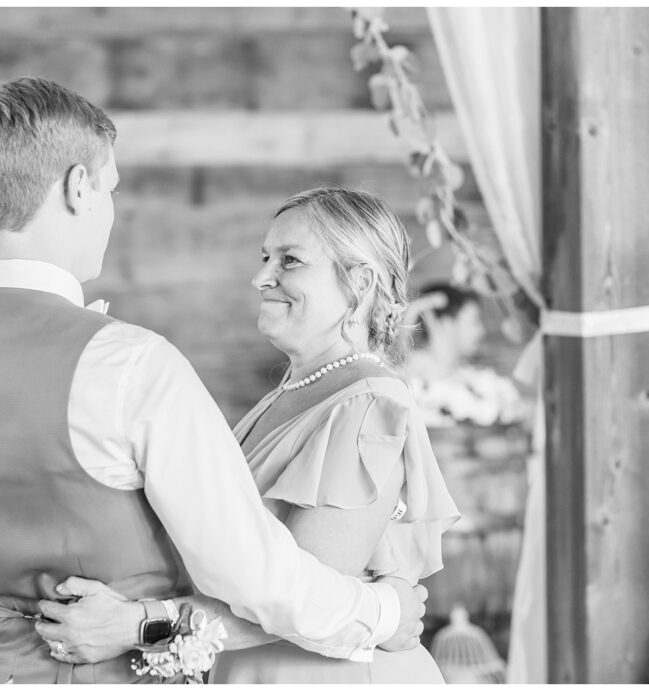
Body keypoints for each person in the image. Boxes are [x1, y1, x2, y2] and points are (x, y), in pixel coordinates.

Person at [0, 78, 427, 683]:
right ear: (78, 187)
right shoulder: (131, 365)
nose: (110, 211)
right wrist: (382, 610)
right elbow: (254, 576)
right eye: (110, 189)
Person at [39, 187, 460, 683]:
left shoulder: (368, 408)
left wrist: (139, 624)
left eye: (291, 260)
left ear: (360, 282)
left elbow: (306, 603)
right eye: (266, 257)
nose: (262, 277)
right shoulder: (290, 392)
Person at [403, 282, 486, 382]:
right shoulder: (417, 372)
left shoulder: (460, 374)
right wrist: (417, 307)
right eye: (474, 322)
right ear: (446, 323)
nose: (482, 331)